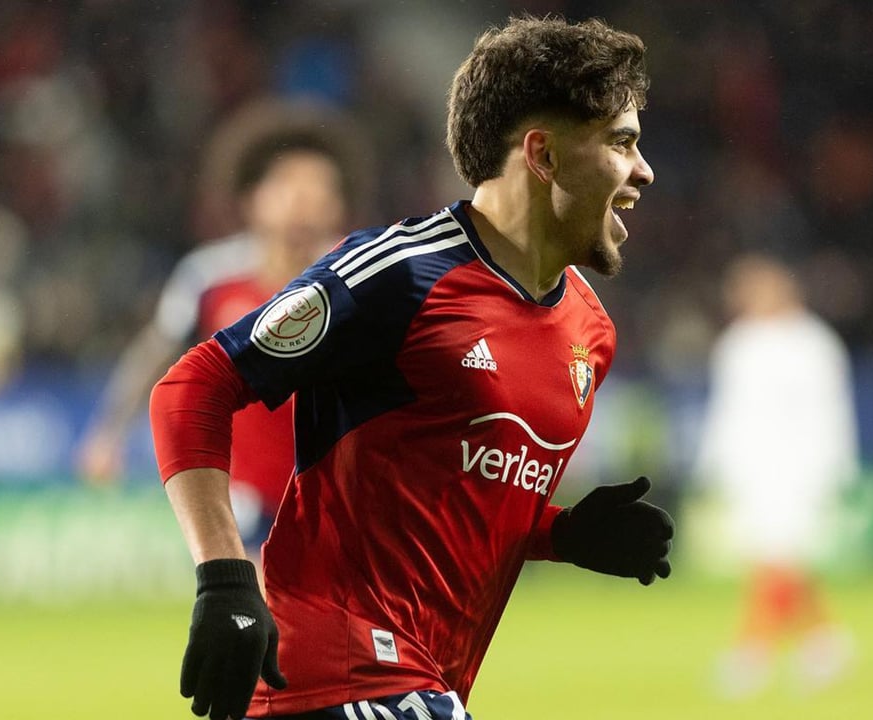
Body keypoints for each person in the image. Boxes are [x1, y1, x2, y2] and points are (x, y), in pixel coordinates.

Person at [149, 16, 674, 720]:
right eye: (621, 142)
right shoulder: (400, 276)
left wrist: (560, 535)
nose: (643, 170)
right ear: (543, 155)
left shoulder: (590, 331)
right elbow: (193, 387)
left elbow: (446, 499)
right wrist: (224, 578)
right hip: (334, 675)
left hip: (426, 680)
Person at [78, 99, 368, 571]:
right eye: (287, 183)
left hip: (338, 493)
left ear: (339, 203)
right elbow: (158, 355)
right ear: (251, 198)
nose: (303, 198)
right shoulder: (211, 279)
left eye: (319, 186)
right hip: (245, 496)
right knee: (255, 601)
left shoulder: (364, 279)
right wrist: (108, 432)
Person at [694, 253, 858, 698]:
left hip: (799, 469)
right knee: (781, 562)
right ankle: (826, 643)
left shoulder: (814, 344)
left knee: (776, 562)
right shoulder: (738, 343)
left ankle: (751, 654)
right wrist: (715, 464)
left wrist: (835, 466)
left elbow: (832, 411)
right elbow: (727, 412)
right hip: (753, 470)